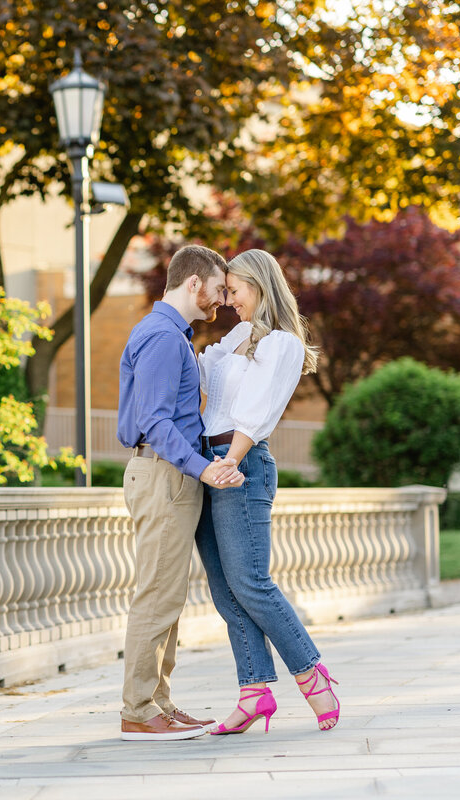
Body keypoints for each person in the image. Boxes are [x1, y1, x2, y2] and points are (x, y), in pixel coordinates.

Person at [195, 248, 341, 735]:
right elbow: (201, 370)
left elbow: (255, 411)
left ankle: (311, 674)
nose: (228, 300)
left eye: (233, 290)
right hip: (210, 465)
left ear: (259, 284)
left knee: (251, 582)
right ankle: (254, 692)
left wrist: (230, 463)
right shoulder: (240, 335)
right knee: (224, 589)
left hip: (242, 464)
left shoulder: (281, 344)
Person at [116, 244, 245, 742]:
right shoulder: (163, 338)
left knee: (167, 597)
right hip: (164, 474)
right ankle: (138, 710)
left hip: (173, 475)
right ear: (194, 283)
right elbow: (153, 421)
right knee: (156, 595)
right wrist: (201, 468)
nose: (222, 300)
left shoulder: (173, 336)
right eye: (218, 289)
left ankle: (158, 702)